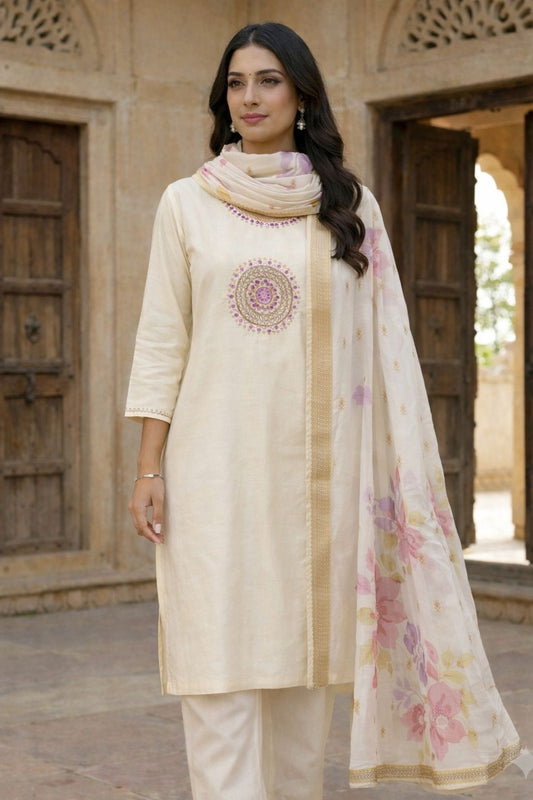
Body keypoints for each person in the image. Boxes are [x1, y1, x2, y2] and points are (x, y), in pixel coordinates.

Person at [126, 22, 523, 799]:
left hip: (318, 485)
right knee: (218, 677)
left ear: (301, 94)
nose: (249, 97)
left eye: (267, 80)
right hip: (212, 478)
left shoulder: (349, 208)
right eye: (236, 82)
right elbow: (160, 342)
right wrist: (150, 467)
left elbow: (388, 351)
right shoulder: (186, 205)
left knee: (305, 690)